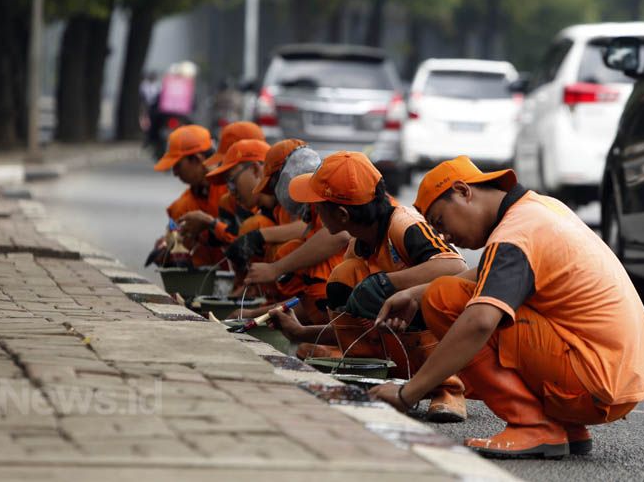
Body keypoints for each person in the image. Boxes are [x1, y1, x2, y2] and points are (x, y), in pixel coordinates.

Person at [369, 156, 644, 458]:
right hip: (616, 380)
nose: (445, 237)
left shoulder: (514, 236)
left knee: (444, 299)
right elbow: (490, 274)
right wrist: (415, 295)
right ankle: (563, 425)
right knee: (452, 294)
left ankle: (532, 425)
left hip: (591, 382)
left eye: (440, 222)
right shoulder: (539, 210)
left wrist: (407, 393)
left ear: (463, 192)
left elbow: (480, 322)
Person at [277, 151, 469, 422]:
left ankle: (447, 389)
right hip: (404, 345)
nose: (315, 211)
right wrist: (301, 332)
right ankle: (368, 375)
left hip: (456, 343)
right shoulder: (358, 247)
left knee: (409, 294)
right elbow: (353, 331)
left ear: (342, 214)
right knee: (343, 278)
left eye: (319, 206)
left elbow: (456, 267)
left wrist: (387, 284)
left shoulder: (404, 225)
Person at [224, 140, 350, 327]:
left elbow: (340, 235)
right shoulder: (308, 209)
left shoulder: (327, 200)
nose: (273, 194)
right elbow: (307, 301)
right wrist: (257, 313)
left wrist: (275, 269)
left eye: (273, 187)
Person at [152, 125, 226, 268]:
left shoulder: (234, 191)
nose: (175, 173)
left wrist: (211, 224)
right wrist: (166, 249)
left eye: (177, 165)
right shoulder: (181, 207)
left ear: (197, 159)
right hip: (204, 280)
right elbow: (175, 247)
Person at [179, 122, 266, 242]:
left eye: (231, 176)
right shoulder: (229, 200)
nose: (231, 189)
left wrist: (212, 224)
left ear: (255, 168)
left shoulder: (282, 196)